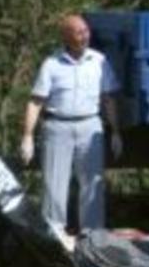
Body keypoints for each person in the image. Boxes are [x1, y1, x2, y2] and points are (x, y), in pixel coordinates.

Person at [20, 14, 122, 252]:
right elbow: (35, 101)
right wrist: (27, 136)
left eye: (86, 31)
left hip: (90, 125)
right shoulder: (51, 64)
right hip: (58, 126)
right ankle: (55, 235)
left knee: (92, 182)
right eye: (78, 32)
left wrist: (115, 132)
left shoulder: (99, 61)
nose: (84, 36)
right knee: (55, 182)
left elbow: (108, 99)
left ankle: (93, 235)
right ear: (65, 36)